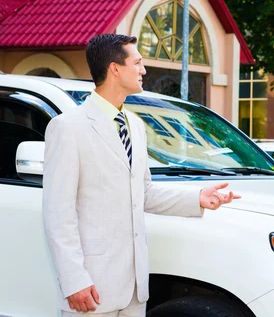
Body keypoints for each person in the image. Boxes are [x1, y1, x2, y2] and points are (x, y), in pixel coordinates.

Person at [43, 34, 241, 317]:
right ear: (114, 69)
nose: (143, 70)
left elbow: (143, 193)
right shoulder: (68, 127)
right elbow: (57, 213)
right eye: (137, 63)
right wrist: (74, 279)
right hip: (91, 287)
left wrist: (198, 198)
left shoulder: (134, 126)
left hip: (134, 288)